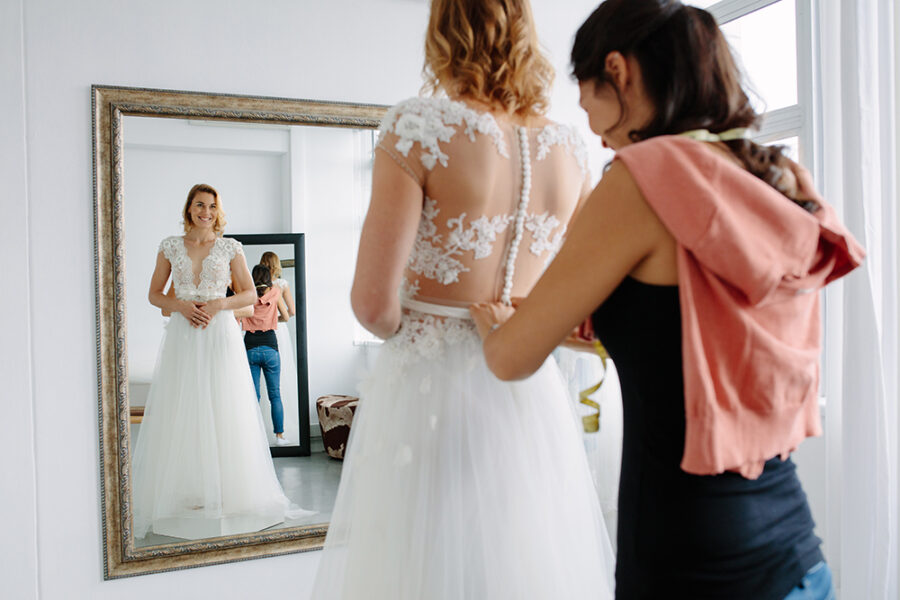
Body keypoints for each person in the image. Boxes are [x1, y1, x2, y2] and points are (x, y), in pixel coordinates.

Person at [471, 2, 864, 598]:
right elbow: (701, 337)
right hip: (795, 556)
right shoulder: (775, 177)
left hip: (689, 562)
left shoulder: (643, 177)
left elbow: (509, 360)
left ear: (618, 71)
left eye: (589, 106)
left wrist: (497, 327)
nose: (596, 133)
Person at [310, 0, 615, 597]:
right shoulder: (573, 147)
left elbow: (373, 306)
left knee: (426, 567)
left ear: (443, 32)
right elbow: (584, 297)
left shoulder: (418, 127)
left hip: (430, 391)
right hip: (528, 387)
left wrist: (418, 321)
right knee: (520, 560)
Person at [131, 183, 306, 540]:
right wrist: (179, 305)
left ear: (217, 210)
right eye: (199, 205)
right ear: (189, 208)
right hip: (182, 335)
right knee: (185, 408)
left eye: (211, 206)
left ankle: (230, 492)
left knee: (224, 405)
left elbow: (246, 293)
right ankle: (189, 492)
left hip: (219, 333)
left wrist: (216, 305)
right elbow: (153, 294)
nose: (205, 212)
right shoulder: (169, 246)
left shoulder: (229, 248)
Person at [241, 264, 292, 446]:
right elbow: (286, 317)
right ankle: (279, 436)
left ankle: (254, 438)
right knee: (275, 395)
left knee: (254, 396)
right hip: (271, 347)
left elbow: (237, 318)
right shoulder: (276, 292)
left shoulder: (246, 295)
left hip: (250, 348)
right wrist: (272, 320)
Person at [256, 251, 300, 446]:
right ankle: (279, 432)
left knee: (257, 387)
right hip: (276, 331)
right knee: (278, 384)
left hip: (256, 333)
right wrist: (276, 318)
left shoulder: (253, 285)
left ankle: (259, 429)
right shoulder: (280, 286)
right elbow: (291, 311)